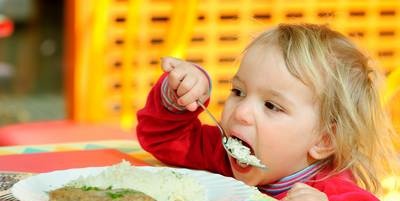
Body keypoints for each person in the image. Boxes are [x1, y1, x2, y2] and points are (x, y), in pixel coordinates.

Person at [136, 23, 399, 200]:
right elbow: (165, 139)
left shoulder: (335, 192)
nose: (241, 113)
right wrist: (177, 95)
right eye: (238, 92)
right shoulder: (221, 155)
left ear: (324, 140)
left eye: (272, 106)